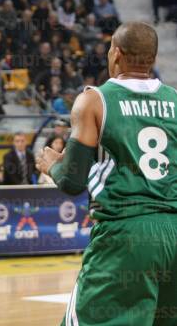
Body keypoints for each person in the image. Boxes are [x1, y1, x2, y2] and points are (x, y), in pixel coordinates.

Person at [36, 22, 177, 325]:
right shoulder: (175, 101)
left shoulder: (95, 100)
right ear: (152, 58)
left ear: (116, 53)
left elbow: (73, 181)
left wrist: (53, 166)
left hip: (126, 233)